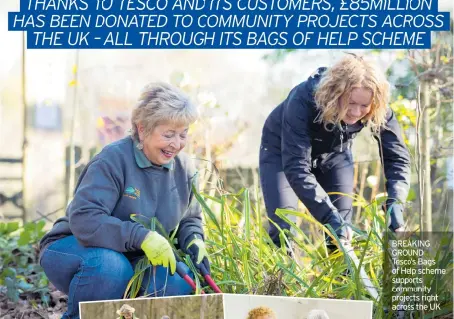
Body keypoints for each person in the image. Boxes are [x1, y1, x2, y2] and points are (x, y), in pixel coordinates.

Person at [39, 83, 210, 319]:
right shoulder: (113, 160)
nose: (176, 143)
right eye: (168, 134)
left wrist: (195, 241)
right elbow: (85, 220)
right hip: (76, 247)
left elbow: (190, 218)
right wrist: (142, 237)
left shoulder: (185, 168)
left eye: (183, 134)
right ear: (142, 129)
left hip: (136, 257)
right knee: (111, 268)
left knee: (178, 287)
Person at [259, 54, 410, 248]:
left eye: (364, 106)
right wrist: (327, 214)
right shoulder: (303, 100)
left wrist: (396, 203)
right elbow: (296, 166)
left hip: (335, 155)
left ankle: (344, 278)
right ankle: (282, 275)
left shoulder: (379, 108)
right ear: (335, 94)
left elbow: (396, 157)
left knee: (341, 231)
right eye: (350, 103)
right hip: (282, 154)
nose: (356, 112)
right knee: (283, 229)